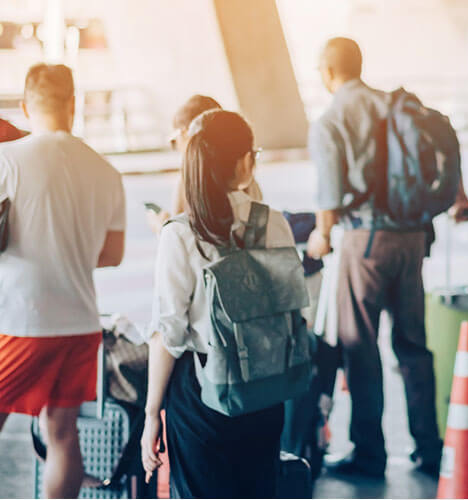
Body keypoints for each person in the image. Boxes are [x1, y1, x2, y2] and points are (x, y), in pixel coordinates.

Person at [305, 37, 468, 479]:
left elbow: (328, 194)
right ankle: (428, 447)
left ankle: (368, 454)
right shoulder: (393, 106)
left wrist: (321, 238)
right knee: (413, 345)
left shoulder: (330, 119)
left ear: (326, 72)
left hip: (366, 241)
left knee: (361, 348)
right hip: (412, 238)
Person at [140, 110, 294, 498]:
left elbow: (169, 334)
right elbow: (294, 308)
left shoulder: (179, 233)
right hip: (265, 386)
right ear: (244, 162)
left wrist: (150, 415)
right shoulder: (273, 223)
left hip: (202, 394)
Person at [0, 63, 126, 498]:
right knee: (63, 434)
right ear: (73, 104)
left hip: (21, 321)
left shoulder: (8, 159)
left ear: (25, 106)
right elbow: (112, 255)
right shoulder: (106, 171)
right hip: (79, 323)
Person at [145, 95, 263, 234]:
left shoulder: (189, 180)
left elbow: (185, 239)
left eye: (174, 140)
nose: (176, 147)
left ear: (186, 135)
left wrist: (162, 227)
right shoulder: (246, 179)